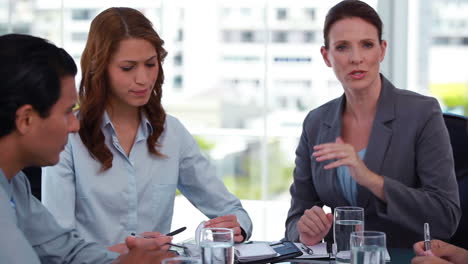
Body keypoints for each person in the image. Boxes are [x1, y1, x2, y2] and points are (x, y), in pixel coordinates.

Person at [42, 7, 252, 252]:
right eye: (128, 68)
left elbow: (233, 211)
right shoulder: (68, 136)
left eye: (150, 64)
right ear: (99, 69)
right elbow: (56, 247)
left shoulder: (171, 133)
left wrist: (238, 226)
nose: (143, 79)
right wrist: (122, 253)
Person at [285, 0, 460, 248]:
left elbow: (446, 217)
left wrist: (370, 179)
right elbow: (296, 217)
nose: (356, 58)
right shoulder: (316, 122)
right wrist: (304, 232)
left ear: (382, 50)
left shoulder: (421, 113)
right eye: (343, 47)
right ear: (327, 56)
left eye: (367, 45)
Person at [0, 33, 174, 263]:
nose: (74, 126)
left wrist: (122, 261)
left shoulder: (15, 183)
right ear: (26, 120)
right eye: (66, 112)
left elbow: (64, 251)